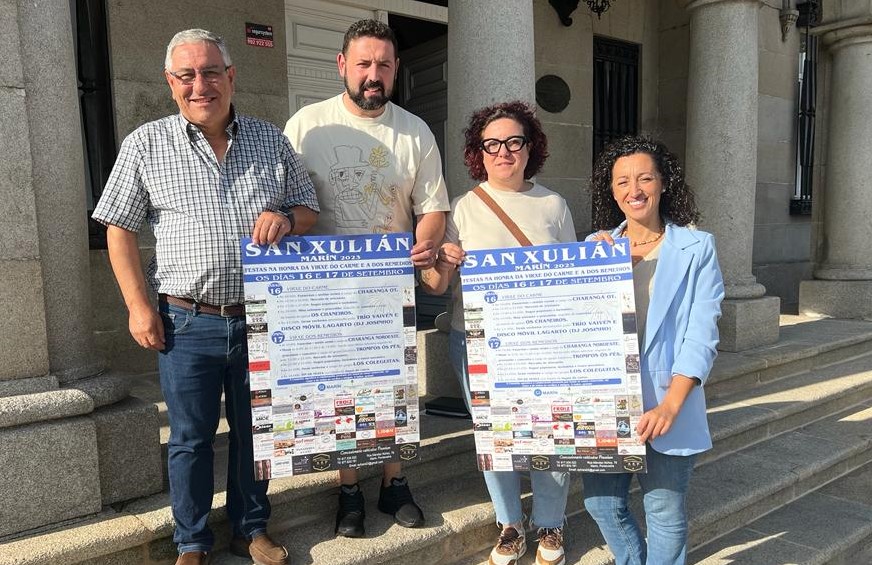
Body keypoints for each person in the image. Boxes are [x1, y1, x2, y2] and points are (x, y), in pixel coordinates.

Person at [92, 29, 319, 565]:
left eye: (211, 72)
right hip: (186, 321)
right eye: (187, 75)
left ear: (231, 76)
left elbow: (308, 208)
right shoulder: (146, 144)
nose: (201, 85)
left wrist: (286, 218)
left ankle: (250, 528)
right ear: (170, 83)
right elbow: (118, 229)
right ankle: (191, 541)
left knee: (255, 432)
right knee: (190, 438)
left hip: (262, 318)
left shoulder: (270, 139)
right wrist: (138, 306)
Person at [283, 19, 449, 538]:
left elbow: (432, 207)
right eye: (363, 64)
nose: (373, 74)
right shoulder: (306, 125)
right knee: (341, 393)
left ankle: (394, 483)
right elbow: (283, 202)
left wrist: (426, 241)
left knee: (392, 389)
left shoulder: (415, 131)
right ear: (342, 66)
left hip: (387, 288)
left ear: (395, 70)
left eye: (383, 65)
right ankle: (349, 490)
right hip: (324, 293)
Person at [420, 101, 575, 565]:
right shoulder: (463, 208)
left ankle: (551, 522)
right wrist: (442, 261)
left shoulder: (553, 205)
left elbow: (573, 279)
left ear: (530, 148)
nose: (503, 152)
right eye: (492, 144)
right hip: (477, 343)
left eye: (514, 142)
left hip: (542, 342)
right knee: (494, 435)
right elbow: (435, 286)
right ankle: (510, 523)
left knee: (550, 430)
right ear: (479, 153)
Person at [581, 136, 724, 565]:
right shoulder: (595, 248)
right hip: (606, 406)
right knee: (601, 504)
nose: (634, 190)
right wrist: (597, 270)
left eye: (645, 178)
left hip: (667, 402)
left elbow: (701, 335)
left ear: (663, 183)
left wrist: (670, 405)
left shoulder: (697, 248)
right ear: (611, 190)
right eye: (622, 181)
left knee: (663, 510)